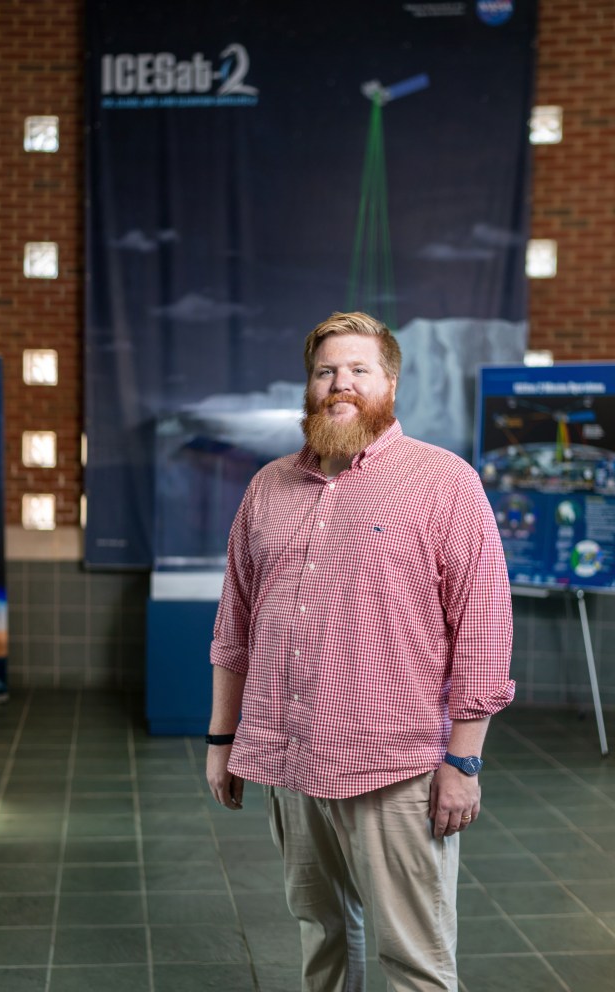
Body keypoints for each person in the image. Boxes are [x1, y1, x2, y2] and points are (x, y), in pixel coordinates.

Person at [205, 311, 515, 991]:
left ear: (390, 385)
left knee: (415, 959)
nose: (339, 384)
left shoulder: (443, 482)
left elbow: (484, 630)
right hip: (289, 758)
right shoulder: (268, 488)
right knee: (321, 939)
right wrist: (222, 738)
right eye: (325, 372)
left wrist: (463, 759)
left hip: (395, 766)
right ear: (308, 387)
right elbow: (236, 626)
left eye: (357, 370)